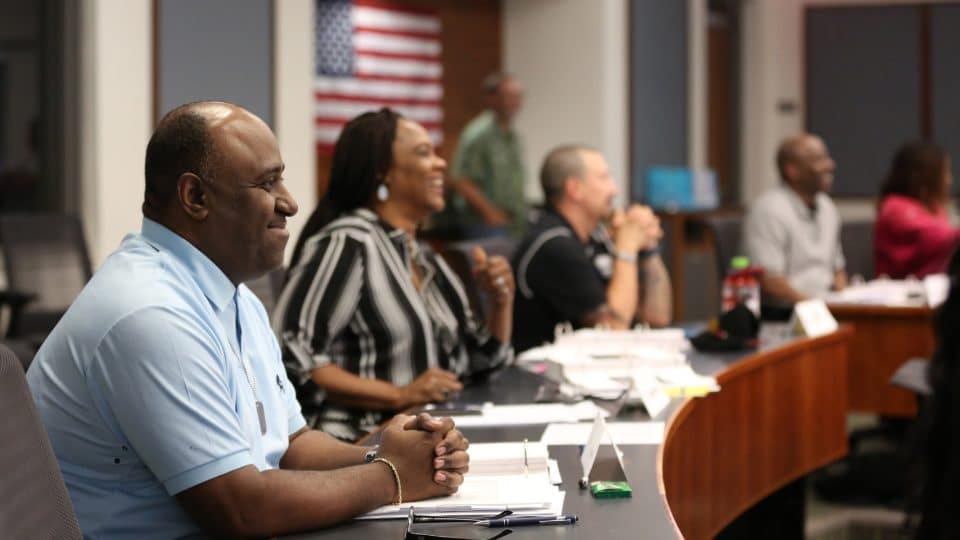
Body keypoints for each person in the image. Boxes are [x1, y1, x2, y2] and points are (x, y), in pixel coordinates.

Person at [26, 102, 469, 538]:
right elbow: (240, 510)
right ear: (195, 197)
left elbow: (292, 446)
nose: (290, 203)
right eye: (267, 183)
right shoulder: (151, 312)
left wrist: (396, 453)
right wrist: (392, 477)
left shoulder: (236, 297)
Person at [273, 108, 514, 442]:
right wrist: (399, 396)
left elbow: (483, 363)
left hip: (430, 437)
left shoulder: (425, 256)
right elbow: (293, 357)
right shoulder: (348, 241)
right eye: (423, 153)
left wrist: (502, 302)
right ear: (384, 172)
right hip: (356, 442)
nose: (441, 164)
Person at [511, 144, 672, 352]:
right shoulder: (554, 246)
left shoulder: (594, 237)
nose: (615, 190)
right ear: (575, 189)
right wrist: (627, 248)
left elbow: (657, 318)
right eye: (604, 178)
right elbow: (613, 329)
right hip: (543, 377)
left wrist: (648, 248)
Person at [742, 133, 847, 315]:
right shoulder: (770, 209)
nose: (830, 165)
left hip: (827, 308)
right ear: (792, 170)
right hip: (788, 314)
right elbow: (771, 282)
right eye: (817, 160)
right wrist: (818, 309)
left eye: (826, 158)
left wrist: (847, 303)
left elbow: (837, 270)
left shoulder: (827, 207)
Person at [446, 72, 527, 238]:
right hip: (485, 224)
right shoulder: (478, 134)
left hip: (515, 224)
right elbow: (461, 179)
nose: (516, 102)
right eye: (509, 96)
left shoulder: (512, 136)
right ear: (492, 98)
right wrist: (490, 213)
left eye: (519, 96)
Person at [874, 141, 959, 279]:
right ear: (926, 176)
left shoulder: (934, 207)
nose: (949, 180)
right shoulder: (894, 207)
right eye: (945, 173)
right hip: (897, 295)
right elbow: (938, 237)